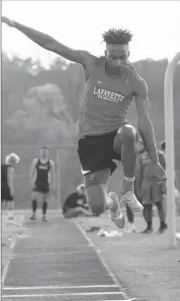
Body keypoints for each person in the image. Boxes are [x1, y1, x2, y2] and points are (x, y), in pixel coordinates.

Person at [2, 17, 167, 230]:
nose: (118, 63)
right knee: (97, 205)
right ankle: (112, 203)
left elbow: (145, 124)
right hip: (90, 141)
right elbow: (51, 44)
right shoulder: (90, 63)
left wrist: (155, 162)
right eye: (113, 57)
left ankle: (128, 190)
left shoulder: (136, 82)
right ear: (105, 53)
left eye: (123, 58)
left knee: (129, 132)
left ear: (129, 55)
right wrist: (16, 24)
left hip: (115, 135)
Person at [136, 147, 167, 233]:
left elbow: (164, 170)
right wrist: (139, 187)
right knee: (147, 205)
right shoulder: (142, 157)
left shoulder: (160, 155)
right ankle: (149, 227)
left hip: (157, 182)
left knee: (159, 204)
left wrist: (163, 186)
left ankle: (162, 225)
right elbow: (139, 173)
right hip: (146, 183)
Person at [30, 146, 56, 222]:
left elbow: (53, 174)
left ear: (48, 152)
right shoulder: (36, 161)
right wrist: (32, 182)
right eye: (42, 151)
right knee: (34, 197)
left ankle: (44, 216)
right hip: (37, 182)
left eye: (45, 151)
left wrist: (53, 185)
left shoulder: (50, 162)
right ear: (40, 152)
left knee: (45, 200)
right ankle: (33, 214)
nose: (44, 153)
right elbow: (31, 173)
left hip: (46, 183)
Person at [1, 152, 20, 220]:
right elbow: (10, 179)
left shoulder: (2, 166)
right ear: (13, 161)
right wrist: (11, 190)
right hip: (6, 187)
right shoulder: (10, 168)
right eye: (15, 162)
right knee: (10, 201)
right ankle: (10, 215)